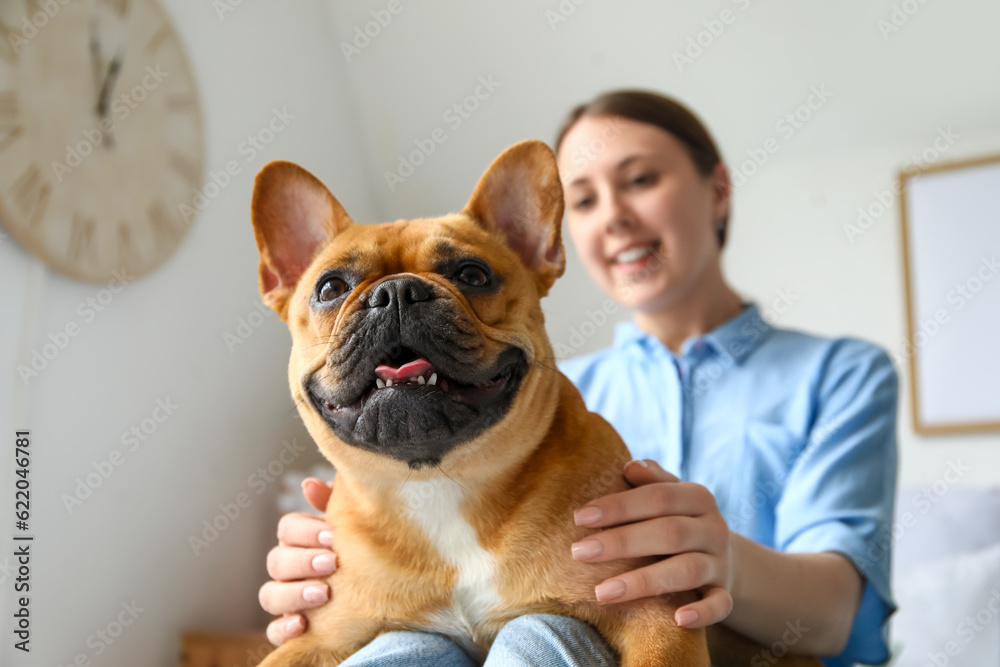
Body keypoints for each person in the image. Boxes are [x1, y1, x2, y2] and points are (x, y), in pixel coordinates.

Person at [257, 90, 899, 667]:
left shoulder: (842, 375)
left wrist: (718, 558)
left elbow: (840, 615)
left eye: (641, 179)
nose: (614, 215)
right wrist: (327, 573)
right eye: (584, 198)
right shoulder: (533, 388)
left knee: (535, 640)